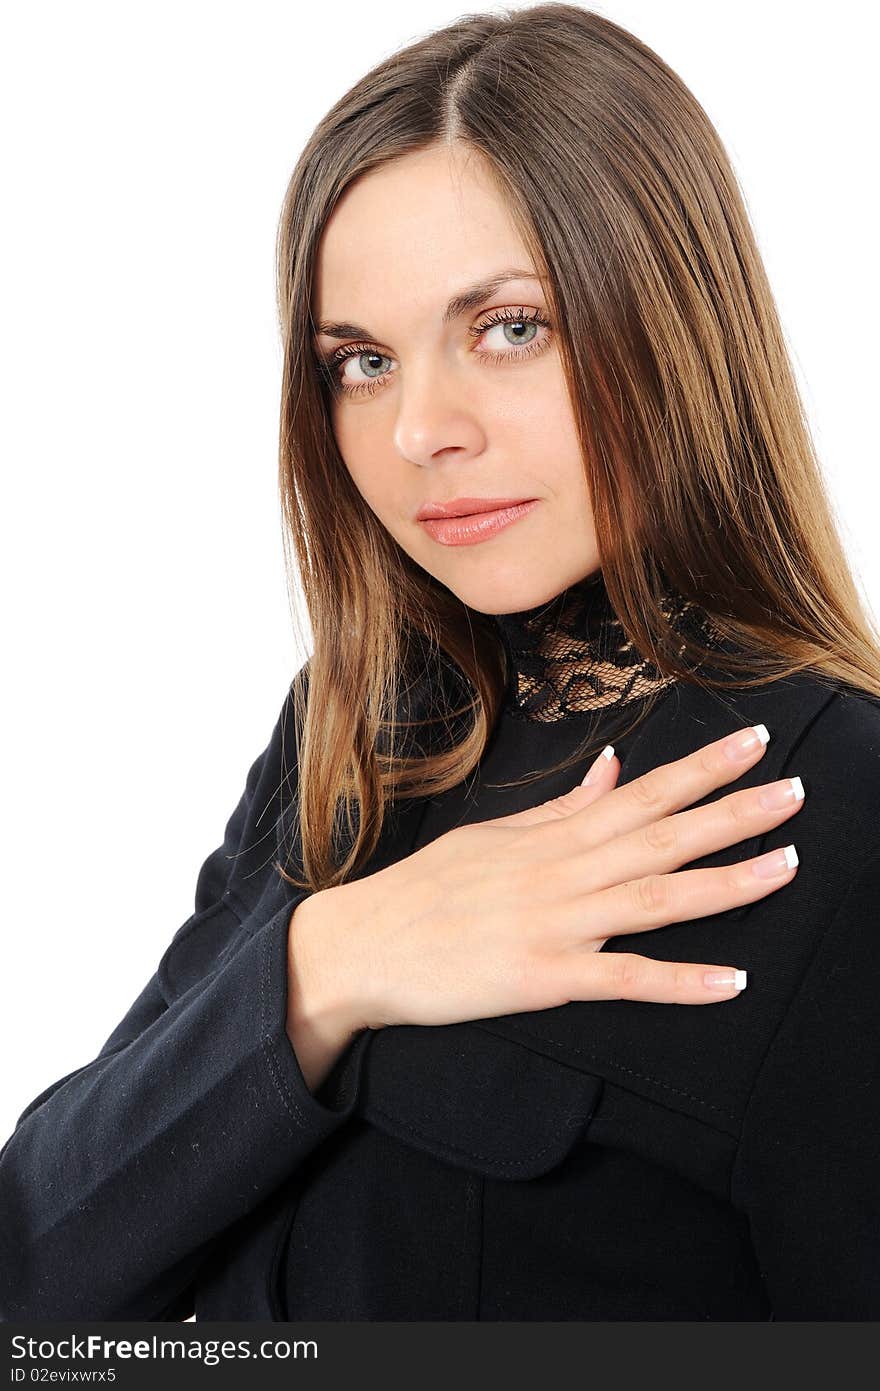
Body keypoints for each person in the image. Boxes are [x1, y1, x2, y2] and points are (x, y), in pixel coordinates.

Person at [2, 3, 879, 1322]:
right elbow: (40, 1277)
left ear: (670, 321)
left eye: (508, 328)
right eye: (361, 362)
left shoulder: (837, 808)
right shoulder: (355, 731)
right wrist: (329, 962)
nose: (418, 430)